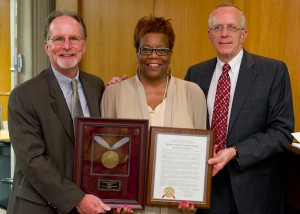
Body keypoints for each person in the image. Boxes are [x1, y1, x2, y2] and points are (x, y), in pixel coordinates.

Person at [184, 2, 294, 214]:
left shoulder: (273, 72)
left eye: (232, 27)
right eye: (218, 28)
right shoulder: (195, 74)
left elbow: (281, 132)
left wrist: (235, 152)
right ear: (209, 35)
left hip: (254, 192)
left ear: (243, 35)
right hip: (207, 190)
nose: (224, 34)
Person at [7, 11, 111, 214]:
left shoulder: (96, 86)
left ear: (84, 45)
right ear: (47, 47)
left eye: (74, 38)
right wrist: (77, 198)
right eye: (58, 39)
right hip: (39, 206)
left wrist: (116, 90)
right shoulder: (24, 95)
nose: (66, 46)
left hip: (89, 203)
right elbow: (33, 161)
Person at [101, 16, 206, 214]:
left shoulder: (193, 94)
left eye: (162, 50)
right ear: (137, 51)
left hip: (177, 209)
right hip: (129, 207)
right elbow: (106, 156)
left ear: (171, 53)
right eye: (146, 49)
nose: (153, 55)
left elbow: (199, 159)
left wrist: (193, 197)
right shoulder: (114, 93)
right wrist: (115, 200)